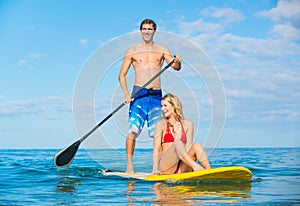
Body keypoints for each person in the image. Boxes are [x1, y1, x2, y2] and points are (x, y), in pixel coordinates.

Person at [118, 19, 182, 174]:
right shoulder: (132, 50)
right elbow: (122, 75)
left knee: (158, 133)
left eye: (150, 29)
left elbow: (175, 67)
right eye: (144, 29)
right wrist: (126, 93)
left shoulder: (162, 49)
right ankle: (130, 166)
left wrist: (178, 61)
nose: (147, 31)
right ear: (141, 31)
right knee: (133, 131)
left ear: (154, 31)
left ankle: (160, 168)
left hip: (155, 96)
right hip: (138, 94)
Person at [152, 93, 211, 175]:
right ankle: (196, 167)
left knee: (197, 145)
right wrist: (155, 169)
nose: (162, 109)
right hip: (165, 167)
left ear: (174, 105)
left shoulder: (188, 124)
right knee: (178, 143)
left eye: (165, 105)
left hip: (180, 167)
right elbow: (156, 149)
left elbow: (188, 147)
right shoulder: (161, 124)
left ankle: (209, 172)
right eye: (162, 106)